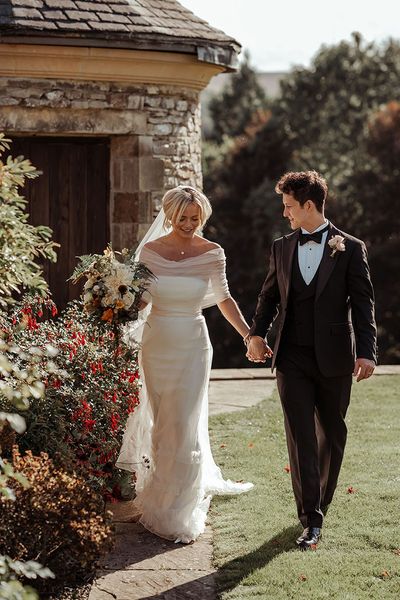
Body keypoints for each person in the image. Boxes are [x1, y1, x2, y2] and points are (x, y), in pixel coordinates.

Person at [245, 171, 377, 550]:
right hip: (291, 357)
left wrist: (367, 351)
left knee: (332, 434)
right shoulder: (281, 247)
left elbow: (364, 304)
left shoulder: (350, 248)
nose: (284, 213)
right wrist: (256, 334)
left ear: (308, 205)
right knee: (301, 434)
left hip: (335, 357)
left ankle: (322, 498)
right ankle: (311, 519)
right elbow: (268, 296)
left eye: (289, 206)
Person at [117, 185, 253, 544]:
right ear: (169, 216)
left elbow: (224, 300)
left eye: (196, 218)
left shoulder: (212, 253)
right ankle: (158, 495)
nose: (189, 224)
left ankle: (178, 510)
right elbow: (140, 301)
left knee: (185, 422)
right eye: (183, 218)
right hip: (157, 342)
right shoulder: (150, 251)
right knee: (163, 422)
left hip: (193, 344)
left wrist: (248, 334)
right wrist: (112, 308)